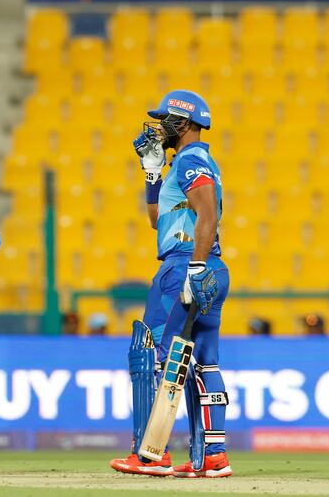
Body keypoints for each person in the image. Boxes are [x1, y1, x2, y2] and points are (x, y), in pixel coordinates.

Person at [110, 90, 231, 478]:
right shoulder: (187, 162)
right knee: (204, 362)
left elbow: (207, 212)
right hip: (207, 266)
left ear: (185, 122)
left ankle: (150, 454)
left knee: (153, 357)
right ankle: (213, 456)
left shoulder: (193, 159)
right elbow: (154, 218)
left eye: (166, 119)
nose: (159, 126)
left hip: (184, 265)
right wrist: (151, 173)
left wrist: (194, 267)